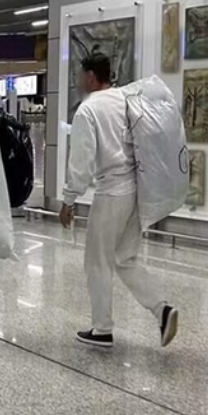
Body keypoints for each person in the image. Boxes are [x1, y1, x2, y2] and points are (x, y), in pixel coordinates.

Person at [60, 53, 179, 349]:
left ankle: (102, 329)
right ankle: (162, 309)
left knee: (97, 262)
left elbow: (82, 163)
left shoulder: (88, 109)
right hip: (137, 190)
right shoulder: (125, 99)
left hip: (111, 193)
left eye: (80, 75)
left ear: (90, 76)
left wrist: (69, 199)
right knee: (125, 259)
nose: (78, 81)